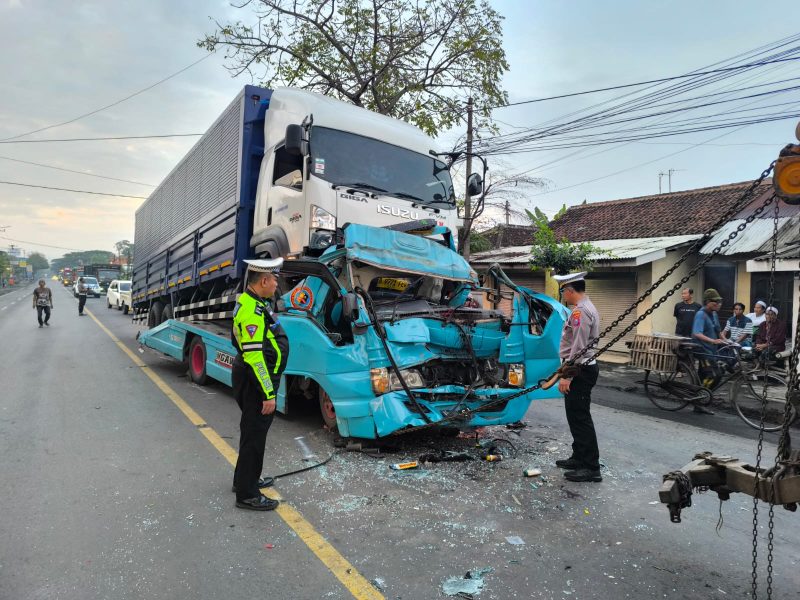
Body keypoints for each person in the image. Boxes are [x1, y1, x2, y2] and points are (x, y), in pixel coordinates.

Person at [231, 258, 290, 511]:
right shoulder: (251, 311)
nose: (277, 284)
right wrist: (268, 393)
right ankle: (247, 495)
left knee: (252, 433)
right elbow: (255, 358)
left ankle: (245, 480)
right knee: (254, 436)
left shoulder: (254, 303)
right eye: (275, 279)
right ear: (264, 280)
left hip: (251, 378)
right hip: (255, 382)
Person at [553, 272, 602, 483]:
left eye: (563, 291)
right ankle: (579, 457)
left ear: (570, 290)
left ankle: (591, 467)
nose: (563, 295)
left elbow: (579, 347)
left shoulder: (581, 312)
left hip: (580, 371)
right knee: (575, 416)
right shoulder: (586, 307)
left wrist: (568, 376)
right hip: (581, 368)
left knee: (580, 418)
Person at [690, 288, 726, 414]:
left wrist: (728, 341)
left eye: (719, 301)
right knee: (713, 375)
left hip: (711, 350)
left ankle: (699, 399)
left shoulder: (714, 314)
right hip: (702, 350)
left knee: (706, 375)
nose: (718, 304)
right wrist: (713, 341)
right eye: (715, 301)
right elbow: (697, 333)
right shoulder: (701, 314)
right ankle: (700, 399)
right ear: (707, 302)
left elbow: (719, 331)